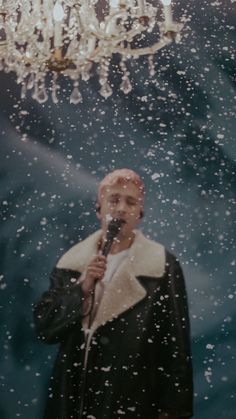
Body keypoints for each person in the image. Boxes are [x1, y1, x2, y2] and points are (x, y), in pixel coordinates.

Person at [34, 169, 193, 419]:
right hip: (72, 400)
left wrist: (173, 409)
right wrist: (82, 288)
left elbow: (175, 344)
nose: (121, 209)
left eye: (131, 202)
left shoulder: (161, 266)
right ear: (99, 208)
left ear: (140, 214)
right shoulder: (71, 263)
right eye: (114, 200)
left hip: (131, 401)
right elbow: (45, 328)